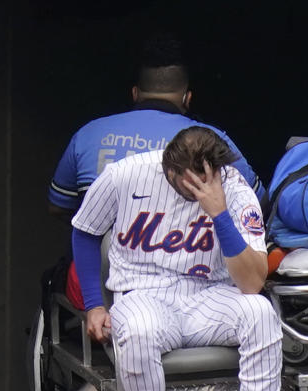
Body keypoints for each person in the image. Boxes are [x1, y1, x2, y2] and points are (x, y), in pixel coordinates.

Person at [71, 126, 296, 391]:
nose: (191, 187)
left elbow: (253, 282)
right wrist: (94, 303)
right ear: (169, 167)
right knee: (138, 330)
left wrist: (219, 214)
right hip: (144, 294)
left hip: (210, 297)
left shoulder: (235, 189)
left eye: (201, 179)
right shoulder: (127, 174)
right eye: (183, 179)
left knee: (260, 313)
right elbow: (85, 230)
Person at [49, 35, 264, 309]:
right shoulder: (210, 141)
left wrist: (113, 228)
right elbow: (256, 205)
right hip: (193, 282)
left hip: (93, 286)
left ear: (135, 94)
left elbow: (59, 207)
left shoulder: (88, 133)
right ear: (188, 98)